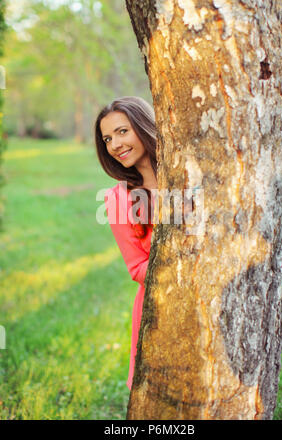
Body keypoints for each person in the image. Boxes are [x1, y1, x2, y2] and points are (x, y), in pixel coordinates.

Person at [94, 96, 158, 390]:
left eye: (123, 131)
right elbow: (136, 267)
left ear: (143, 126)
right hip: (158, 304)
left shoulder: (188, 172)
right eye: (107, 138)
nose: (115, 145)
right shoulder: (118, 198)